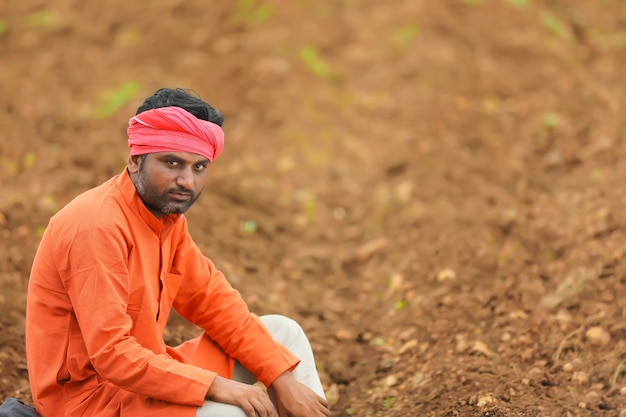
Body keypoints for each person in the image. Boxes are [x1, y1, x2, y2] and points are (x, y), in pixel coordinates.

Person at [25, 88, 331, 417]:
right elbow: (112, 354)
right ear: (135, 158)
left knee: (284, 336)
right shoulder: (97, 226)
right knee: (233, 413)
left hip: (149, 379)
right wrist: (216, 385)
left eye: (199, 167)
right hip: (93, 402)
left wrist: (281, 381)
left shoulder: (167, 221)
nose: (186, 181)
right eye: (172, 163)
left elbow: (218, 306)